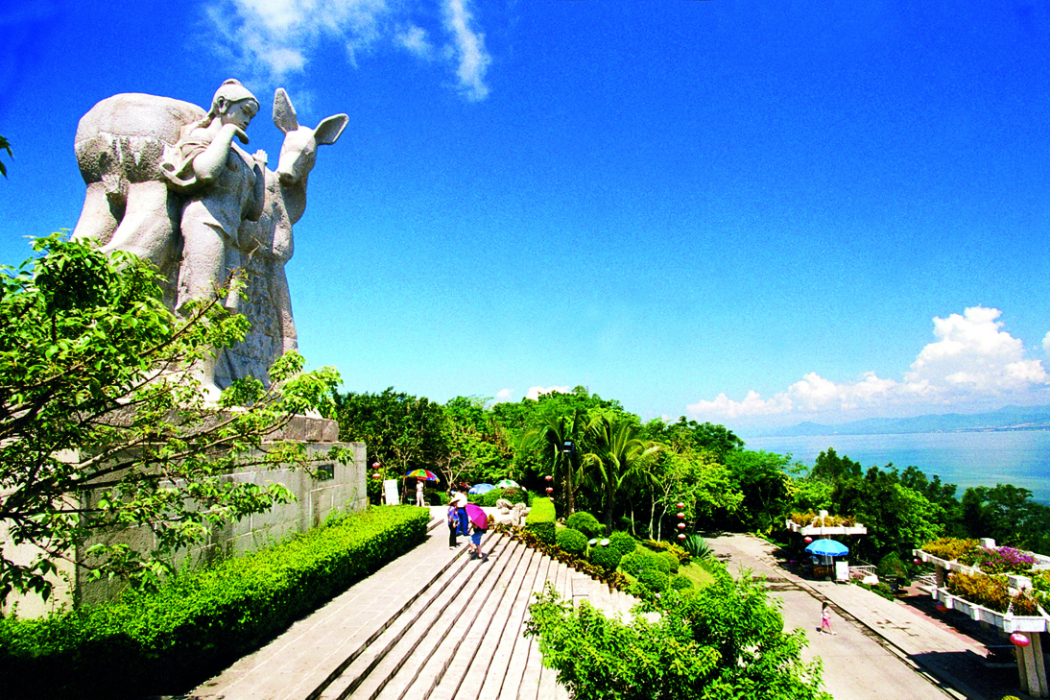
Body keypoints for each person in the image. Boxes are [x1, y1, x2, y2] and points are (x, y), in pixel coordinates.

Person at [160, 79, 267, 396]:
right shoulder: (203, 136)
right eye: (245, 111)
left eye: (251, 115)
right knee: (202, 299)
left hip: (232, 234)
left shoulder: (239, 156)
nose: (247, 119)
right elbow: (204, 173)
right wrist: (227, 133)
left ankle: (206, 377)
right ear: (222, 105)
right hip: (205, 222)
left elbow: (253, 210)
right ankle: (194, 379)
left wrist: (258, 168)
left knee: (226, 308)